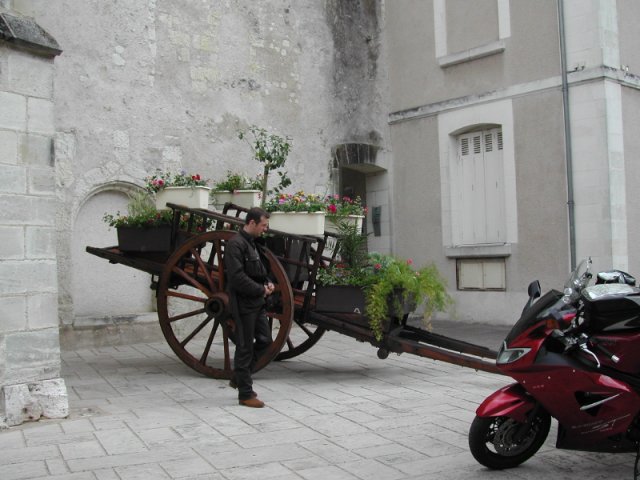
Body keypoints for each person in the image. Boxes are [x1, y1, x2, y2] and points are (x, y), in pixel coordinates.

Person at [224, 207, 274, 408]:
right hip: (243, 303)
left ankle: (239, 376)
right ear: (252, 223)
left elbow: (260, 270)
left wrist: (268, 282)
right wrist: (260, 290)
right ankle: (245, 394)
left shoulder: (253, 243)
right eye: (263, 225)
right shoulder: (235, 245)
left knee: (265, 341)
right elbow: (237, 278)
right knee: (244, 347)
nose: (265, 229)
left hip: (257, 302)